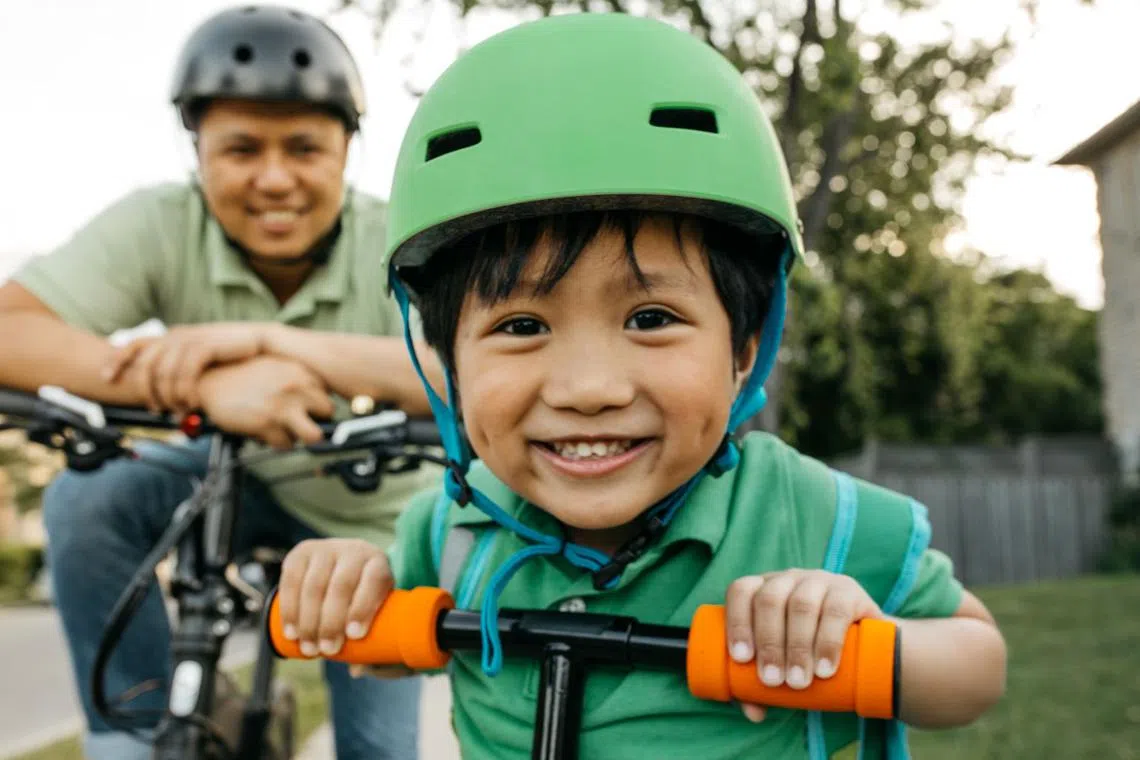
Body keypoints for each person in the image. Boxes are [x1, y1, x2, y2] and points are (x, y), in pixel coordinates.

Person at [274, 12, 1008, 760]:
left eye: (650, 316)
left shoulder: (811, 516)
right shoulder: (451, 532)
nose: (589, 389)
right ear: (449, 365)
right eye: (522, 326)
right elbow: (379, 650)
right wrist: (345, 588)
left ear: (745, 349)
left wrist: (860, 635)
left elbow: (977, 665)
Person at [0, 6, 441, 760]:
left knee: (379, 749)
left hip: (366, 525)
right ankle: (130, 737)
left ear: (347, 152)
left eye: (304, 147)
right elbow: (12, 329)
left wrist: (272, 344)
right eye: (240, 148)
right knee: (87, 498)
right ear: (197, 151)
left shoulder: (397, 236)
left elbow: (461, 366)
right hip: (219, 477)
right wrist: (207, 391)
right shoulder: (159, 223)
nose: (274, 179)